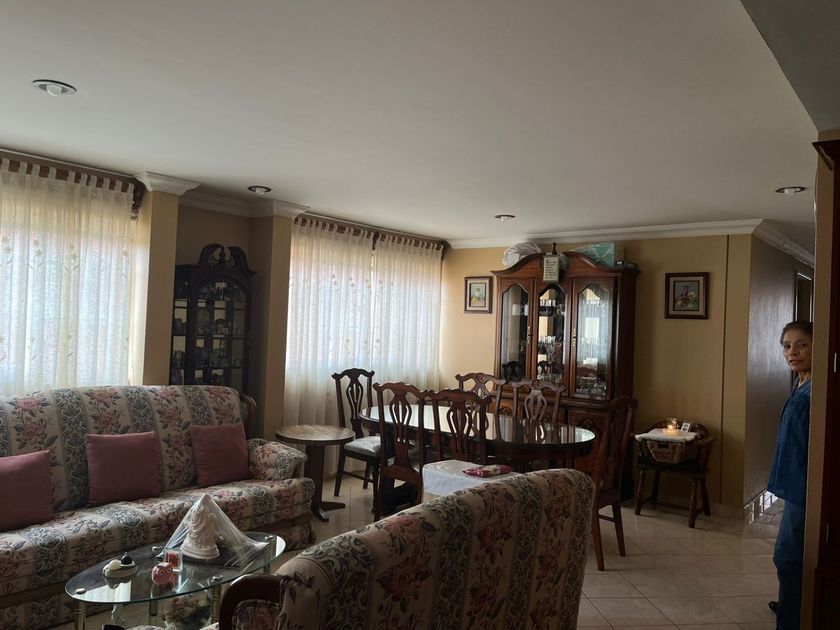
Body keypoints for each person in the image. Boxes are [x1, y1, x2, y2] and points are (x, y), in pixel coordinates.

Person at [767, 320, 812, 630]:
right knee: (790, 553)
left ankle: (791, 621)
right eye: (787, 346)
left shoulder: (816, 390)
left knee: (788, 555)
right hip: (794, 483)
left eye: (802, 345)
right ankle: (790, 603)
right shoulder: (801, 382)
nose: (792, 352)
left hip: (805, 488)